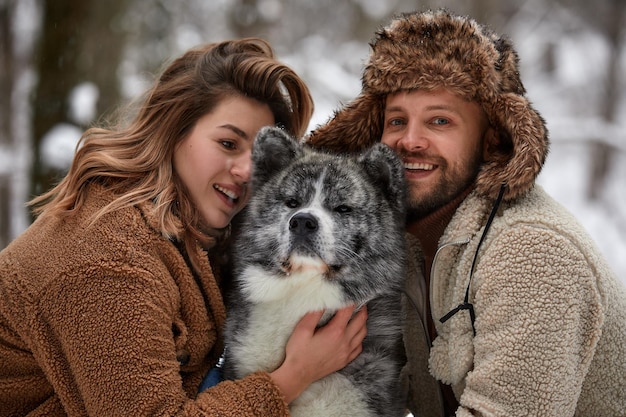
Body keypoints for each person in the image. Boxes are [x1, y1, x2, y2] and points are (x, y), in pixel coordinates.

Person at [0, 38, 368, 416]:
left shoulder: (205, 236)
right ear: (174, 131)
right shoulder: (103, 257)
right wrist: (295, 375)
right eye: (228, 143)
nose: (246, 172)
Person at [308, 9, 626, 417]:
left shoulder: (531, 252)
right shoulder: (407, 241)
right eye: (396, 121)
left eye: (440, 121)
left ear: (492, 137)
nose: (410, 141)